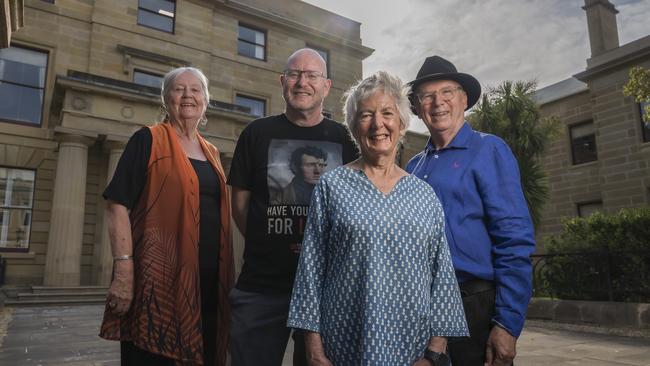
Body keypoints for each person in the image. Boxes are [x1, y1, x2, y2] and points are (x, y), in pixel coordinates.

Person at [287, 71, 468, 366]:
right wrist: (314, 349)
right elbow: (310, 271)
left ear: (401, 122)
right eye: (366, 115)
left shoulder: (424, 195)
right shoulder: (332, 186)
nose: (378, 124)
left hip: (413, 349)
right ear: (355, 127)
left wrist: (434, 354)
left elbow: (443, 277)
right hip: (343, 346)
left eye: (387, 113)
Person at [227, 48, 358, 366]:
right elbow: (241, 207)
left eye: (312, 75)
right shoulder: (256, 133)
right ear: (283, 82)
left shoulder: (346, 139)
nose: (303, 82)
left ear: (326, 86)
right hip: (262, 286)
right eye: (295, 74)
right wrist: (271, 236)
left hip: (327, 291)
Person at [406, 56, 536, 366]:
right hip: (422, 310)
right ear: (417, 106)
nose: (438, 102)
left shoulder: (489, 149)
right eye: (427, 95)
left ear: (464, 99)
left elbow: (514, 239)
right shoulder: (412, 167)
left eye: (447, 92)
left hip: (475, 307)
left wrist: (507, 323)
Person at [99, 67, 234, 366]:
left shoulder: (212, 152)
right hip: (159, 282)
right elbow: (117, 204)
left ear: (206, 100)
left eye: (196, 89)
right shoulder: (147, 140)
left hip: (210, 284)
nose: (187, 95)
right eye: (178, 89)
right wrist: (124, 269)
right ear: (165, 99)